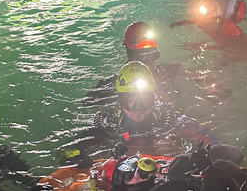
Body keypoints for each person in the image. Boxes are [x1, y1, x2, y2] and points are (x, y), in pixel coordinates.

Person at [65, 61, 218, 162]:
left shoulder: (169, 120)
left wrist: (204, 155)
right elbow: (67, 151)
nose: (138, 108)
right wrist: (79, 157)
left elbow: (208, 137)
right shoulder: (109, 126)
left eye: (143, 100)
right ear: (121, 101)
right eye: (130, 100)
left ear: (153, 100)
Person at [84, 21, 229, 107]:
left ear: (127, 48)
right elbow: (201, 76)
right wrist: (218, 91)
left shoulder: (114, 82)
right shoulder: (169, 70)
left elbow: (88, 103)